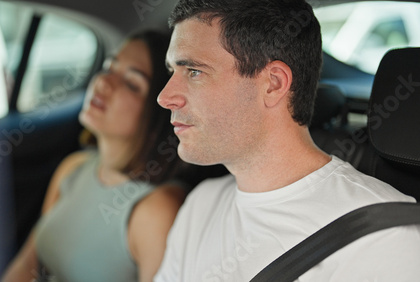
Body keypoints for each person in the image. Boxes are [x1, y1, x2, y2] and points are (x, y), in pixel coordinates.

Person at [154, 0, 420, 281]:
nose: (164, 97)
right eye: (173, 71)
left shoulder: (383, 240)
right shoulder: (201, 205)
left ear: (274, 84)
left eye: (194, 71)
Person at [1, 30, 188, 282]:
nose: (103, 82)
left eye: (132, 84)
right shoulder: (73, 168)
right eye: (109, 67)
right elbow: (27, 264)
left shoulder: (157, 208)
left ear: (160, 114)